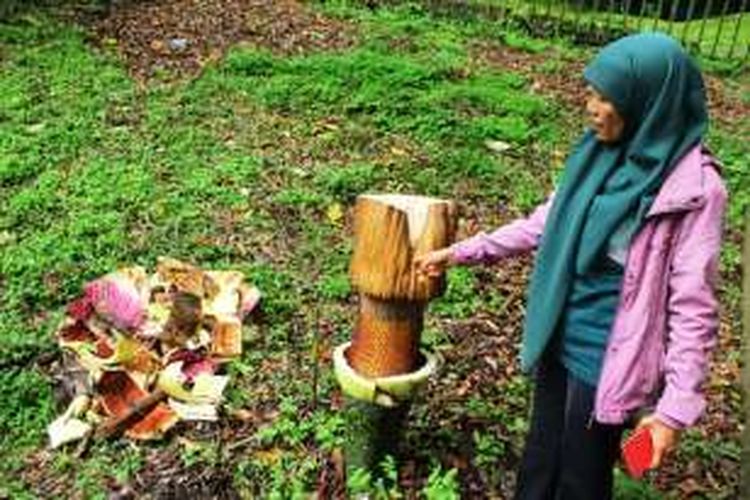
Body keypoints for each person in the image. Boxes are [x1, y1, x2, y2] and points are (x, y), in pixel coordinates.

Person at [414, 33, 727, 500]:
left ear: (649, 105)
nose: (592, 108)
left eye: (608, 99)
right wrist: (463, 251)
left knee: (581, 474)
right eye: (591, 93)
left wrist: (674, 410)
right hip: (558, 328)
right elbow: (547, 222)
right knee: (541, 454)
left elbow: (693, 307)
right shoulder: (597, 152)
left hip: (610, 352)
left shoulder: (695, 190)